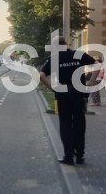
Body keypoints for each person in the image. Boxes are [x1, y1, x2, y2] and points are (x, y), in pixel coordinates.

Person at [39, 37, 96, 165]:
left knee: (65, 125)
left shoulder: (53, 59)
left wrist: (52, 88)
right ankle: (80, 156)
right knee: (79, 124)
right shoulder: (79, 54)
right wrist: (91, 82)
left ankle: (68, 156)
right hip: (79, 94)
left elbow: (41, 75)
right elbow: (97, 65)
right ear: (67, 44)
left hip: (63, 95)